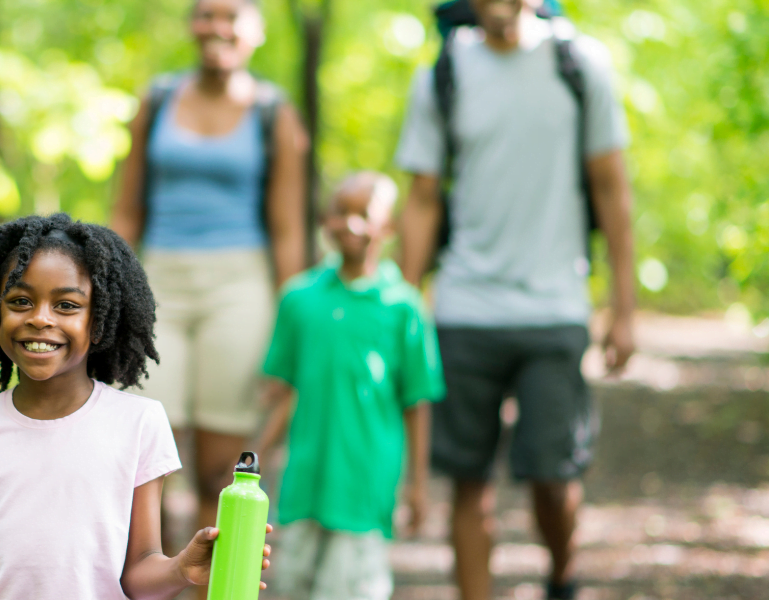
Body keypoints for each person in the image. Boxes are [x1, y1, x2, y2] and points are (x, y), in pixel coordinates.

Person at [392, 0, 637, 599]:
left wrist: (623, 308)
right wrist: (400, 302)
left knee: (553, 477)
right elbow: (423, 198)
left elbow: (611, 187)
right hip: (464, 309)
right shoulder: (441, 74)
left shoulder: (581, 64)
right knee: (468, 482)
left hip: (555, 307)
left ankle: (562, 575)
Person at [0, 214, 272, 600]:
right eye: (20, 301)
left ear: (100, 320)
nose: (40, 318)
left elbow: (137, 574)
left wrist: (182, 569)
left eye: (67, 305)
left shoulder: (139, 423)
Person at [110, 0, 308, 550]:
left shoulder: (274, 112)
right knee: (144, 457)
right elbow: (127, 209)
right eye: (205, 14)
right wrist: (105, 291)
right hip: (157, 285)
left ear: (257, 30)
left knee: (220, 466)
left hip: (239, 286)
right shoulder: (157, 100)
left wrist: (293, 327)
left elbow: (288, 229)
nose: (217, 27)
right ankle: (146, 577)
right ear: (191, 25)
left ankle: (211, 586)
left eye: (232, 16)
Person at [254, 173, 446, 600]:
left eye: (364, 214)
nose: (350, 224)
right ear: (326, 219)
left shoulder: (404, 308)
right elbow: (288, 391)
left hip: (363, 486)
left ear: (388, 228)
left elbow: (417, 402)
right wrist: (256, 458)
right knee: (290, 586)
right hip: (304, 483)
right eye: (340, 211)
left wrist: (418, 484)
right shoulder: (299, 299)